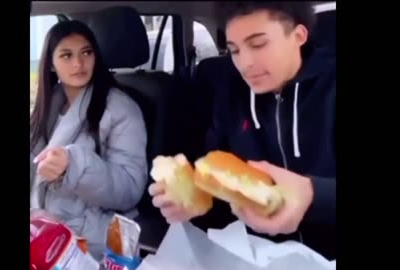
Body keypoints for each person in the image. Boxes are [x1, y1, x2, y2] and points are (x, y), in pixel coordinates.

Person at [149, 1, 336, 260]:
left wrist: (313, 194)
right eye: (234, 50)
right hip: (260, 256)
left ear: (298, 36)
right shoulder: (230, 96)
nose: (245, 63)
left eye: (258, 44)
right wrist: (196, 202)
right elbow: (225, 189)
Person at [29, 20, 148, 261]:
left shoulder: (121, 109)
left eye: (86, 52)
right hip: (44, 228)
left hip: (93, 237)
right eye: (66, 55)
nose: (78, 63)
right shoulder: (48, 105)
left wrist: (73, 166)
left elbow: (130, 188)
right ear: (51, 65)